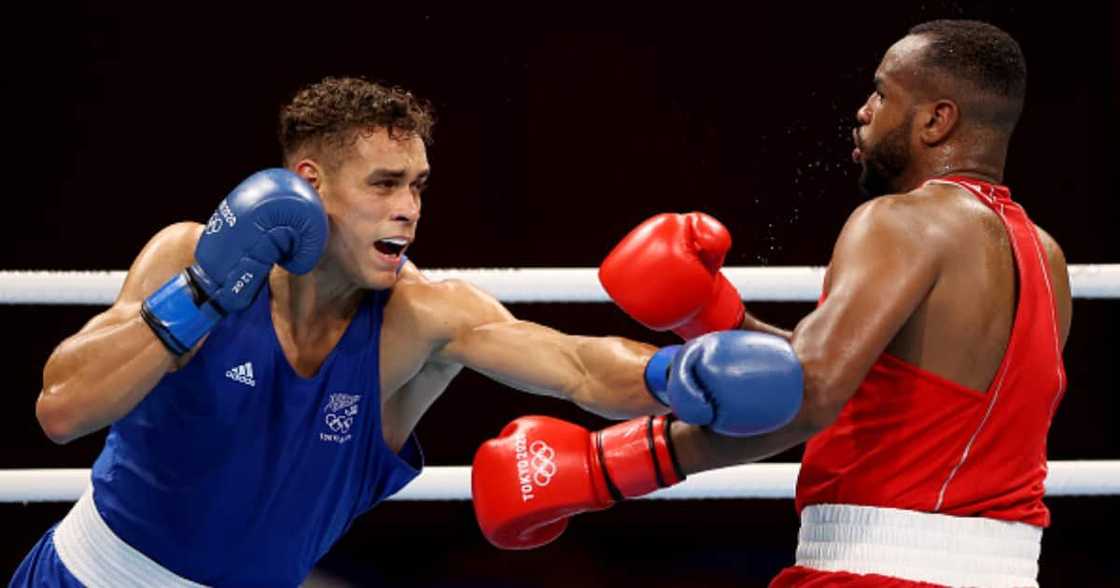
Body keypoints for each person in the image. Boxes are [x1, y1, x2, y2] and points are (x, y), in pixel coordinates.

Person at [12, 77, 799, 587]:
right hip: (83, 576)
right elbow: (60, 410)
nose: (410, 209)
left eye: (418, 186)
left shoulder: (422, 316)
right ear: (308, 186)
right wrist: (205, 293)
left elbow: (578, 367)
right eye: (384, 184)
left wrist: (677, 375)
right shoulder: (192, 253)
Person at [471, 19, 1071, 588]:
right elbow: (871, 388)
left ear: (937, 120)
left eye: (882, 95)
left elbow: (806, 396)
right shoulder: (1045, 258)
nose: (863, 113)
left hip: (878, 565)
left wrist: (605, 466)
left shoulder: (902, 221)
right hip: (1005, 570)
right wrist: (713, 319)